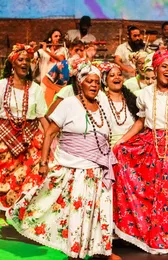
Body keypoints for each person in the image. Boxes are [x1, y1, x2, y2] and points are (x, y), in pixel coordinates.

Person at [6, 62, 119, 260]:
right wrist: (43, 163)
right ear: (80, 83)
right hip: (73, 169)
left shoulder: (102, 107)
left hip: (98, 170)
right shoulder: (69, 104)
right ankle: (74, 253)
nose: (94, 85)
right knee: (72, 211)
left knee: (96, 212)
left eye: (97, 82)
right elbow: (49, 134)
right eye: (89, 81)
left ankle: (100, 250)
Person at [113, 50, 168, 256]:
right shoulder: (145, 94)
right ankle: (156, 237)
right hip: (153, 146)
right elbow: (141, 122)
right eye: (164, 66)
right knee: (155, 195)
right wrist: (122, 141)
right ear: (155, 69)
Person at [0, 44, 48, 216]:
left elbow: (43, 118)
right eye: (20, 60)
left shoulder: (35, 89)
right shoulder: (2, 85)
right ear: (12, 63)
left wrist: (48, 150)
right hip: (4, 139)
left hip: (30, 139)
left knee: (34, 178)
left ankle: (21, 217)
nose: (24, 63)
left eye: (28, 60)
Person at [97, 62, 138, 146]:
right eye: (112, 75)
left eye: (119, 74)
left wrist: (122, 141)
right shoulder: (100, 100)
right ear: (105, 80)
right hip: (108, 147)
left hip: (132, 146)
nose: (117, 77)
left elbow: (140, 122)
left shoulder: (132, 100)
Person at [42, 40, 85, 106]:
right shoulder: (62, 64)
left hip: (80, 101)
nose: (79, 53)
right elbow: (45, 80)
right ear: (70, 50)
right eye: (76, 50)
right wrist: (60, 90)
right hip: (63, 102)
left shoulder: (87, 67)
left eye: (81, 51)